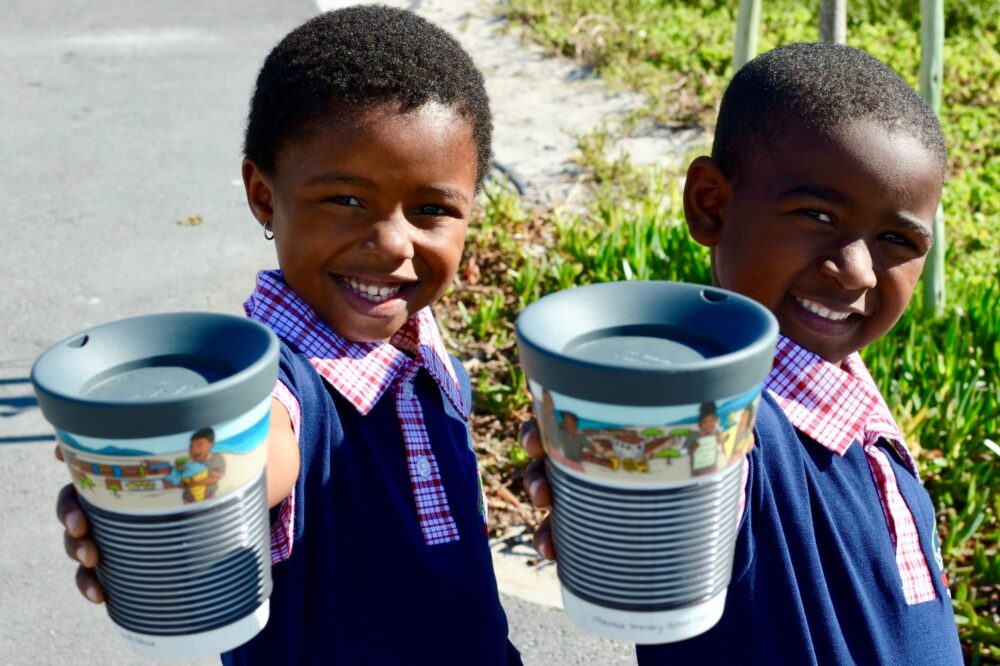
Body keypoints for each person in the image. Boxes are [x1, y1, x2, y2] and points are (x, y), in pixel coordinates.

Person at [54, 7, 521, 664]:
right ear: (264, 196)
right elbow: (255, 447)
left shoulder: (418, 340)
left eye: (432, 210)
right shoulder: (276, 384)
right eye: (346, 200)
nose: (392, 244)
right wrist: (159, 480)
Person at [523, 42, 963, 664]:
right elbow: (693, 480)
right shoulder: (735, 427)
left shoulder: (851, 403)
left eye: (896, 239)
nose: (857, 272)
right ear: (712, 204)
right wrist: (631, 471)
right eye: (815, 214)